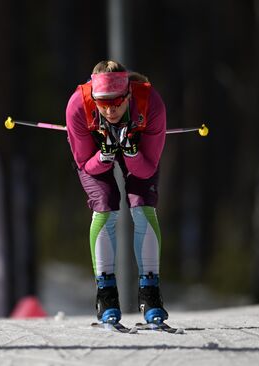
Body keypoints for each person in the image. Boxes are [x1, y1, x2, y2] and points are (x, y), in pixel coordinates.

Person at [66, 60, 168, 324]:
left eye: (117, 102)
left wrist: (131, 152)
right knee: (105, 202)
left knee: (143, 203)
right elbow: (84, 164)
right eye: (103, 103)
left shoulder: (150, 103)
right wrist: (105, 155)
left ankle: (150, 293)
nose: (110, 110)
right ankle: (106, 293)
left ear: (128, 94)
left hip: (140, 151)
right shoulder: (78, 106)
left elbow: (147, 169)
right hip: (96, 155)